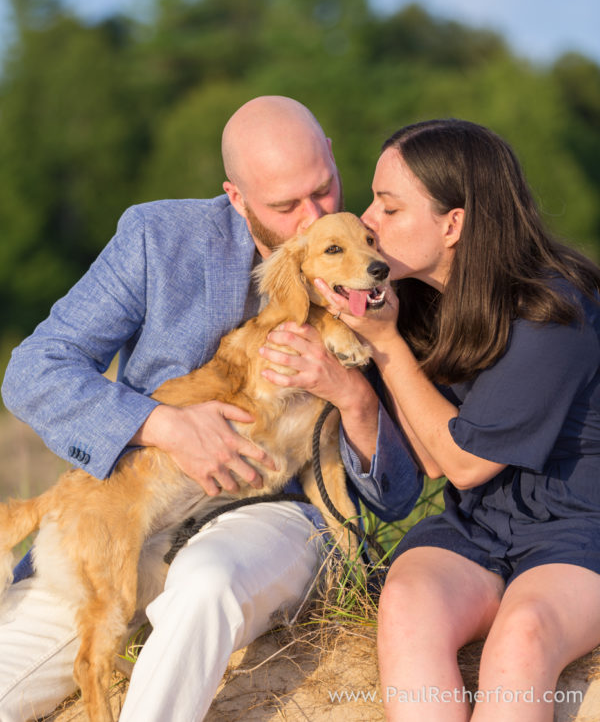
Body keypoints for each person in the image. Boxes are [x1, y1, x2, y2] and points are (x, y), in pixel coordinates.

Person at [0, 95, 422, 722]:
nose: (313, 217)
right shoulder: (156, 237)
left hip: (277, 516)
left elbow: (396, 491)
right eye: (285, 206)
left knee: (204, 584)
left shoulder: (380, 257)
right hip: (134, 513)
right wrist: (162, 424)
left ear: (332, 156)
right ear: (236, 196)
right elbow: (35, 371)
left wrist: (354, 394)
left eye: (323, 189)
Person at [262, 118, 600, 721]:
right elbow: (419, 462)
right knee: (408, 600)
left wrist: (387, 346)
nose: (367, 220)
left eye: (389, 208)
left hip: (580, 530)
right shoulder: (417, 303)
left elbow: (464, 465)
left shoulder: (553, 312)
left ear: (454, 224)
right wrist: (351, 388)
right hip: (479, 527)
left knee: (521, 638)